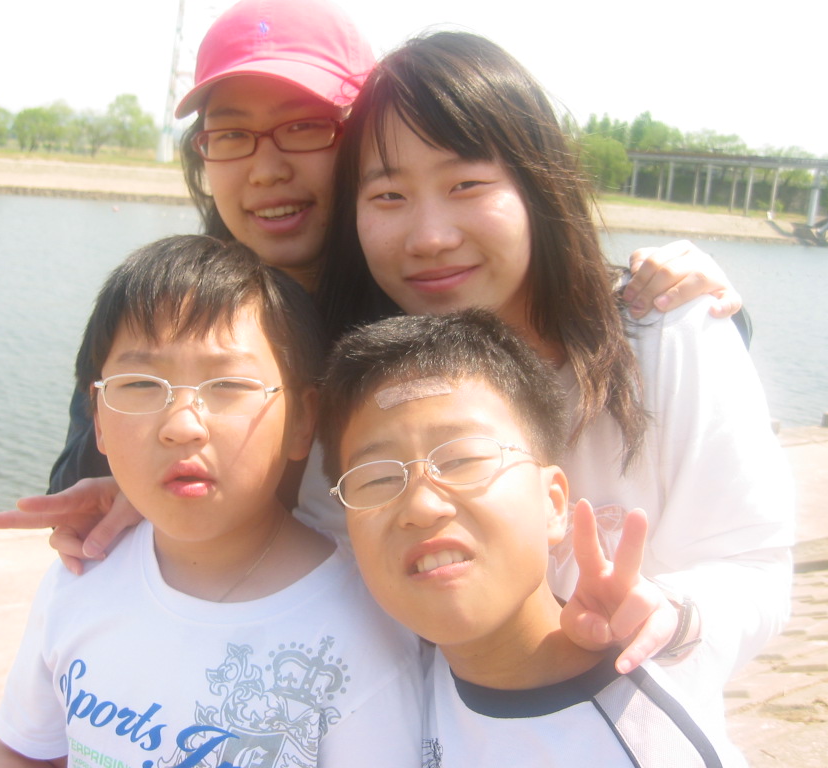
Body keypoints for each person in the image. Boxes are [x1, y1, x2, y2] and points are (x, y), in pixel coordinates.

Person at [37, 0, 745, 506]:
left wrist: (694, 301)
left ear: (367, 140)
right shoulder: (166, 311)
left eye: (305, 126)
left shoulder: (423, 295)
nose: (267, 169)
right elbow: (80, 482)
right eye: (231, 135)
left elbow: (587, 327)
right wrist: (130, 490)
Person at [312, 30, 793, 721]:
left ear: (537, 186)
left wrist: (670, 614)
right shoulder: (362, 392)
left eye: (466, 185)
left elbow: (753, 565)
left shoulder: (669, 335)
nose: (431, 236)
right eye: (388, 196)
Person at [0, 235, 423, 767]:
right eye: (141, 384)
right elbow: (26, 751)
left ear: (303, 420)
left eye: (228, 384)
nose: (182, 425)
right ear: (97, 418)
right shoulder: (80, 577)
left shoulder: (363, 637)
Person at [318, 309, 746, 767]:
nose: (422, 505)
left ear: (554, 503)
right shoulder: (386, 694)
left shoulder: (648, 748)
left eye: (462, 459)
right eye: (378, 479)